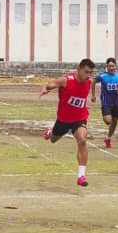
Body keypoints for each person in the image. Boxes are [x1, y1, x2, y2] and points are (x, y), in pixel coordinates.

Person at [41, 58, 96, 187]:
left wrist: (89, 99)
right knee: (53, 139)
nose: (88, 75)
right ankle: (51, 132)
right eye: (86, 72)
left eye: (91, 73)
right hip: (63, 119)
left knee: (82, 140)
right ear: (79, 69)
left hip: (80, 118)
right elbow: (51, 84)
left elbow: (87, 91)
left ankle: (81, 176)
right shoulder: (66, 80)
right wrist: (45, 88)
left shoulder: (90, 81)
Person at [91, 57, 118, 148]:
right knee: (108, 121)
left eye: (113, 66)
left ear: (115, 66)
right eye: (109, 66)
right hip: (106, 101)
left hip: (116, 103)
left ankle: (108, 138)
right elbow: (93, 82)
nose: (111, 68)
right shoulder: (102, 76)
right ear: (107, 66)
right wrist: (93, 95)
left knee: (115, 121)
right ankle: (106, 117)